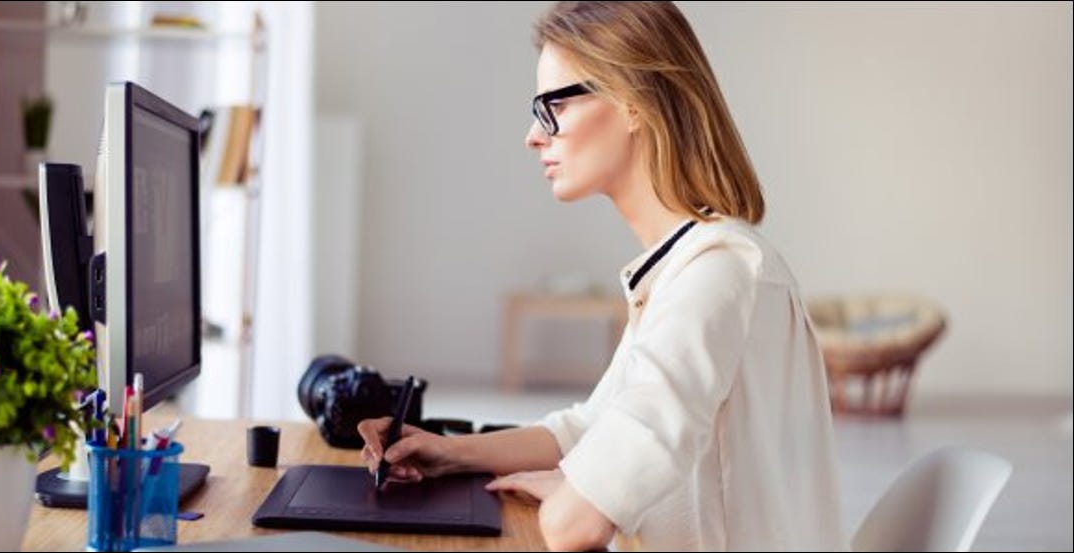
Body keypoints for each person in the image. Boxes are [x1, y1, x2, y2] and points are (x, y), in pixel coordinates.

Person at [357, 2, 845, 550]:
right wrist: (448, 452)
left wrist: (575, 491)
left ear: (632, 102)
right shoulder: (688, 266)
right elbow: (592, 427)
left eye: (551, 107)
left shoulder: (718, 274)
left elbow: (574, 527)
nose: (533, 137)